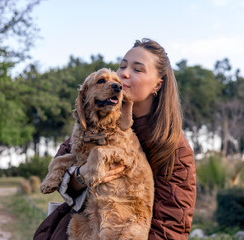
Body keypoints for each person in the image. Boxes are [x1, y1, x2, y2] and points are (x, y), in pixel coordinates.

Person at [34, 38, 197, 240]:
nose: (124, 74)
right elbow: (60, 172)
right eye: (122, 66)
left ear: (157, 84)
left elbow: (171, 226)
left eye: (138, 69)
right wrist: (81, 175)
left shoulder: (173, 146)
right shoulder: (98, 118)